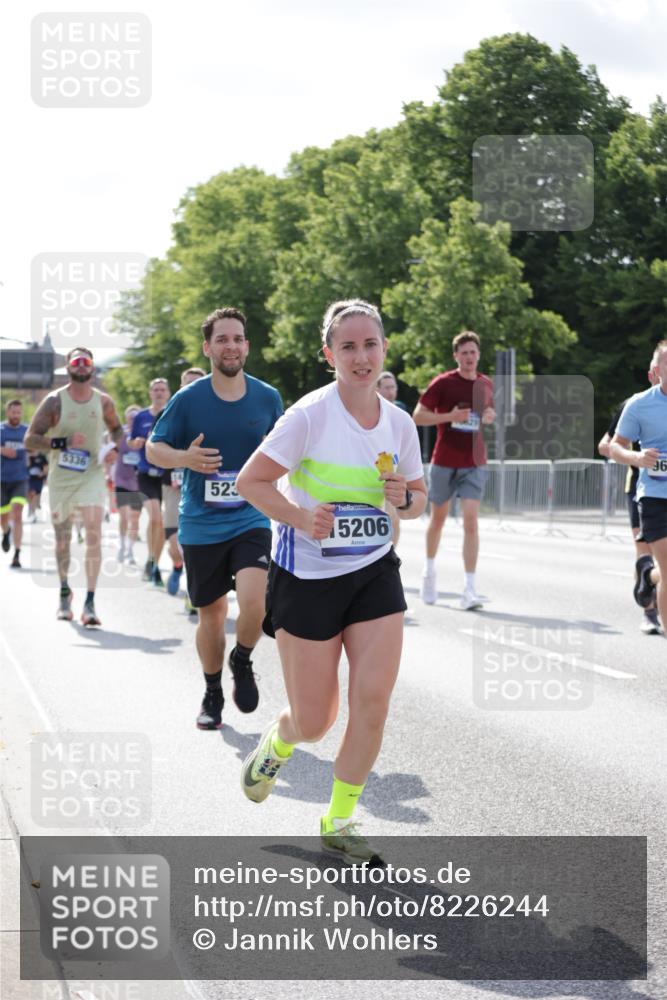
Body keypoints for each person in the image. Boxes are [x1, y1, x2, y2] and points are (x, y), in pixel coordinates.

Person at [236, 299, 426, 864]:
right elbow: (253, 481)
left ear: (384, 349)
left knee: (372, 701)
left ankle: (340, 820)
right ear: (330, 355)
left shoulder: (399, 422)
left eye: (371, 345)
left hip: (372, 572)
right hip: (307, 576)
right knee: (315, 720)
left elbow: (418, 501)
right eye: (349, 347)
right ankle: (277, 742)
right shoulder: (309, 416)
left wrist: (405, 499)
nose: (362, 356)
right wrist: (299, 516)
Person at [146, 308, 283, 730]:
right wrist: (185, 458)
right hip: (202, 524)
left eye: (238, 338)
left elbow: (289, 452)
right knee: (211, 614)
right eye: (222, 339)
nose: (231, 346)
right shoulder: (188, 399)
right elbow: (154, 449)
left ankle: (241, 659)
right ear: (208, 347)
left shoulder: (267, 397)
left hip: (251, 517)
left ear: (247, 345)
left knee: (256, 602)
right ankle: (211, 690)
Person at [24, 347, 123, 624]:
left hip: (91, 474)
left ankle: (90, 602)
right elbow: (30, 439)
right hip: (62, 479)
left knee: (93, 532)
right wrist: (61, 443)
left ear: (92, 368)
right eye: (76, 362)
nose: (81, 366)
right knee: (63, 539)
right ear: (68, 367)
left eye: (86, 362)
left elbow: (116, 429)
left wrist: (113, 447)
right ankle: (64, 592)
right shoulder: (54, 401)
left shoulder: (103, 402)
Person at [413, 331, 495, 610]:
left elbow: (488, 413)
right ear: (456, 356)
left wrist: (489, 415)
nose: (469, 357)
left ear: (479, 355)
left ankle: (470, 589)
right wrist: (451, 417)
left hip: (474, 461)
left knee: (471, 521)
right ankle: (429, 571)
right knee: (438, 520)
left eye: (473, 352)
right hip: (445, 460)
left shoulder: (486, 384)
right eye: (464, 353)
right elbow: (418, 416)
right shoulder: (443, 383)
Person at [598, 352, 661, 634]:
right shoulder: (634, 405)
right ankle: (650, 612)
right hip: (644, 491)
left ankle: (648, 577)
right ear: (654, 372)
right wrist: (638, 457)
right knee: (644, 549)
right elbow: (608, 445)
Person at [163, 367, 206, 598]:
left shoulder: (220, 412)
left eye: (197, 383)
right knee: (173, 543)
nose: (192, 388)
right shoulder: (172, 414)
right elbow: (157, 449)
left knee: (197, 544)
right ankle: (178, 566)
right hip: (173, 485)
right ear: (180, 388)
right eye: (187, 384)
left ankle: (193, 591)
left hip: (206, 490)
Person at [128, 378, 171, 586]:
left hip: (167, 473)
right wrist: (135, 443)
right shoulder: (141, 416)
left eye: (163, 389)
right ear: (150, 393)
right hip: (145, 473)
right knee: (155, 517)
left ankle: (153, 561)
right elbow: (131, 440)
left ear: (169, 392)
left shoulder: (173, 412)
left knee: (161, 521)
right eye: (156, 389)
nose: (159, 393)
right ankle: (153, 561)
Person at [376, 372, 409, 546]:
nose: (391, 391)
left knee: (394, 516)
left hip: (394, 466)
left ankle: (392, 553)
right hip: (373, 467)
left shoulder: (400, 409)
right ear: (377, 389)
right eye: (387, 387)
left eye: (393, 387)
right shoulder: (369, 410)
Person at [1, 399, 29, 568]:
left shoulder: (27, 431)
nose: (16, 416)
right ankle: (6, 532)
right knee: (3, 518)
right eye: (13, 412)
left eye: (19, 413)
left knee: (17, 513)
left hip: (20, 478)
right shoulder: (1, 430)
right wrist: (2, 450)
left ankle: (17, 554)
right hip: (1, 479)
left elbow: (35, 445)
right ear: (7, 412)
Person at [112, 405, 142, 565]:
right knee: (124, 516)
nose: (132, 421)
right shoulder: (120, 435)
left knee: (135, 519)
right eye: (130, 418)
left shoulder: (145, 434)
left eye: (135, 418)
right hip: (121, 479)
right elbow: (106, 450)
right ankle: (122, 546)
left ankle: (130, 550)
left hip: (138, 481)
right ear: (126, 419)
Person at [27, 450, 49, 522]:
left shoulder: (42, 457)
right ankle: (31, 510)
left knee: (36, 495)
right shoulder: (27, 455)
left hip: (38, 479)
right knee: (30, 494)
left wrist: (43, 474)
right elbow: (26, 466)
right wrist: (29, 457)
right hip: (28, 478)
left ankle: (33, 510)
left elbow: (46, 468)